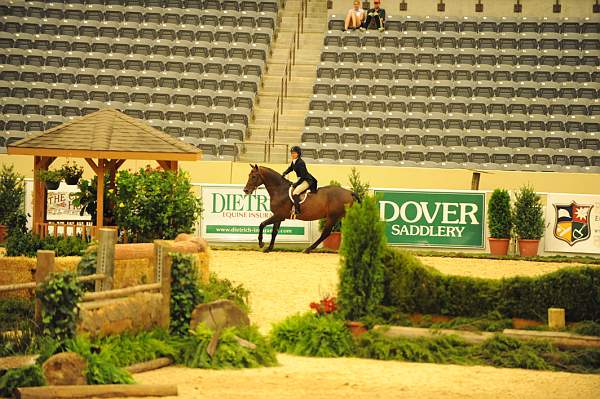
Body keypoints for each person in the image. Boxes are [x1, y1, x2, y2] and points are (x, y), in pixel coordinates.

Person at [282, 146, 318, 216]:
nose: (292, 154)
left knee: (295, 192)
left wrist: (296, 184)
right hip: (300, 179)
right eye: (292, 153)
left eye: (294, 153)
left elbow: (302, 176)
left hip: (306, 180)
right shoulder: (294, 161)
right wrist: (285, 173)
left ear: (298, 154)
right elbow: (290, 168)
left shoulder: (301, 163)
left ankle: (297, 210)